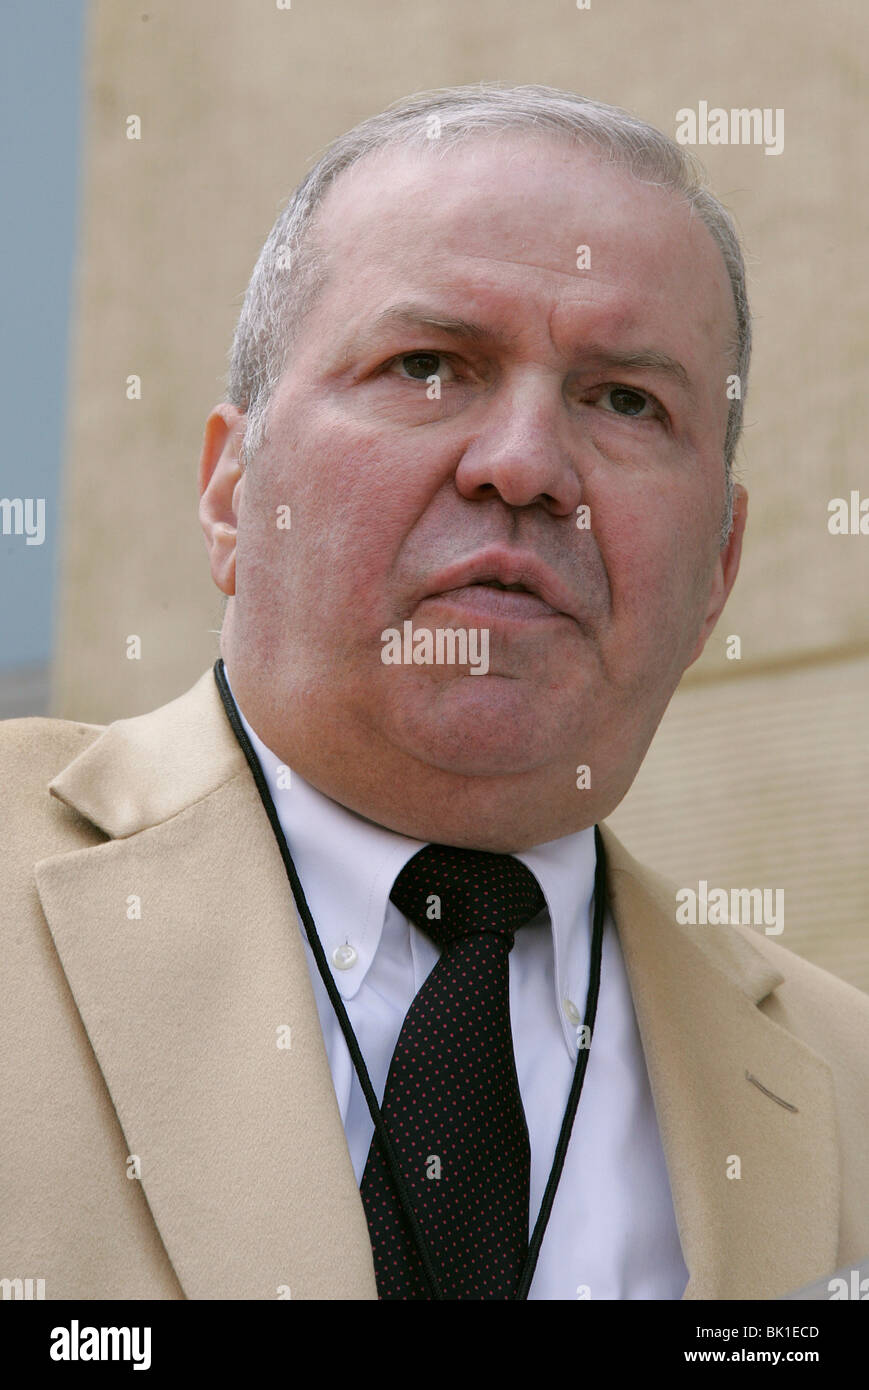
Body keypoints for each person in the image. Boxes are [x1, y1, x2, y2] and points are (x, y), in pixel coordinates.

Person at [2, 84, 867, 1302]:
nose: (521, 465)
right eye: (426, 366)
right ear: (229, 491)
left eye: (625, 400)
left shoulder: (847, 1090)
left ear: (714, 571)